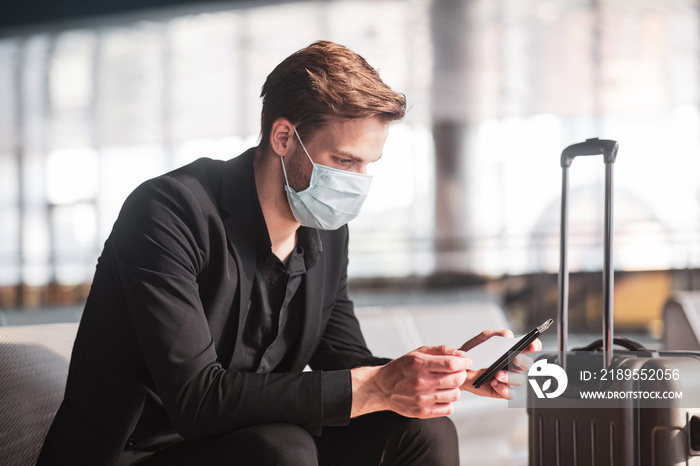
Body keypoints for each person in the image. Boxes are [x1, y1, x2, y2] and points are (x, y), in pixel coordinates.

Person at [38, 40, 540, 466]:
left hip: (248, 441)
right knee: (281, 448)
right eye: (344, 161)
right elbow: (196, 400)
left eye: (368, 165)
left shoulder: (325, 232)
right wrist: (376, 384)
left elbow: (344, 362)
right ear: (284, 137)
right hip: (135, 452)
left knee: (422, 432)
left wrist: (433, 377)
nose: (357, 183)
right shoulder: (168, 212)